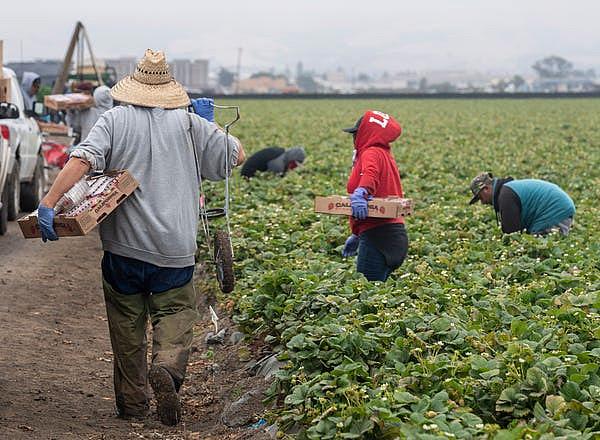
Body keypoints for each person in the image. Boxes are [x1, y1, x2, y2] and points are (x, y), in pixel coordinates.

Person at [36, 49, 246, 425]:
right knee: (175, 315)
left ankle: (133, 405)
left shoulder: (114, 120)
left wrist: (49, 204)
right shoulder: (190, 124)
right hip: (175, 251)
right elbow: (236, 156)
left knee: (126, 327)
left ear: (133, 86)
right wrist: (209, 124)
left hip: (124, 251)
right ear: (169, 89)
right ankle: (167, 368)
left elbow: (82, 159)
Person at [341, 110, 409, 282]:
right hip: (392, 235)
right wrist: (357, 233)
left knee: (368, 296)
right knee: (378, 295)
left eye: (356, 134)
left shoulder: (371, 152)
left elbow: (371, 174)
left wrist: (361, 191)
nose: (354, 139)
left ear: (365, 133)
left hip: (378, 237)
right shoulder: (383, 154)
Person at [468, 172, 575, 235]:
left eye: (480, 197)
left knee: (539, 247)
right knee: (534, 243)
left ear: (486, 189)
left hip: (556, 210)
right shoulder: (506, 191)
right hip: (559, 208)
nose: (482, 202)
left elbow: (512, 234)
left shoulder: (506, 196)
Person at [240, 146, 306, 178]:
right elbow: (273, 179)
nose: (294, 167)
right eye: (295, 164)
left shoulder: (282, 153)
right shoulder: (278, 164)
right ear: (292, 158)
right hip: (248, 174)